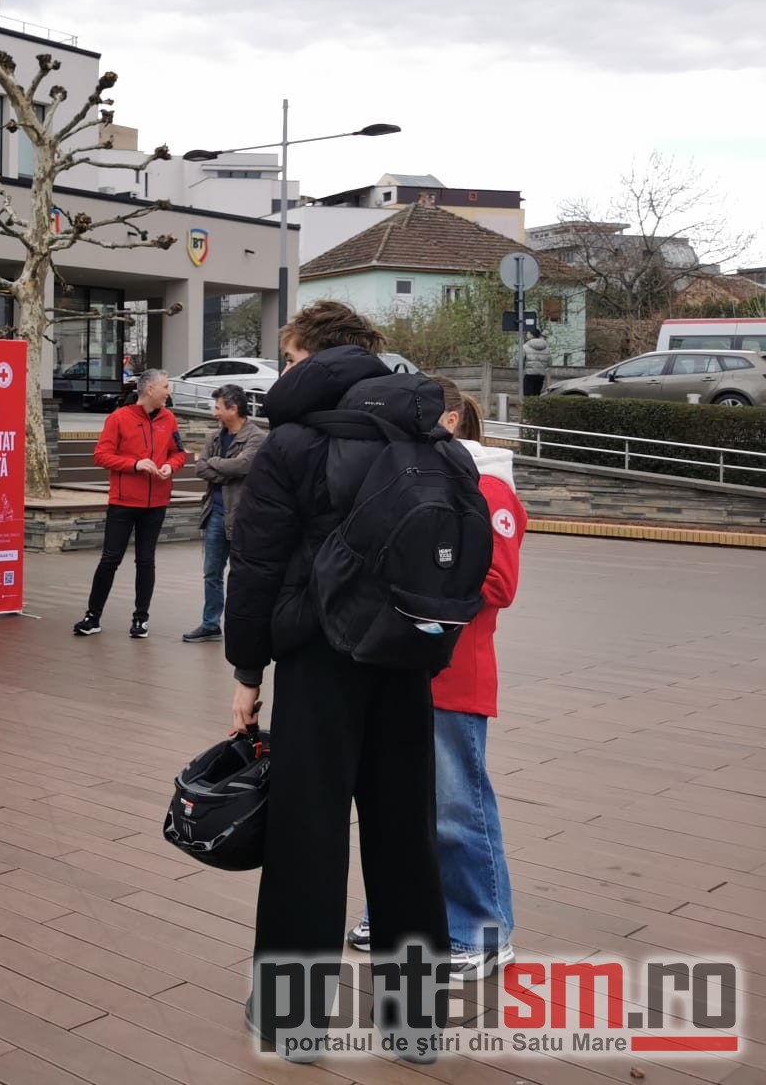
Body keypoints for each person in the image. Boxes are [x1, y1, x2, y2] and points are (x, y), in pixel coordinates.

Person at [224, 301, 451, 1059]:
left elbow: (256, 567)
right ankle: (416, 1023)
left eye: (289, 358)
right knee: (406, 836)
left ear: (311, 358)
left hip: (319, 656)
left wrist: (248, 671)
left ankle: (292, 1021)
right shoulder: (427, 435)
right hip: (406, 656)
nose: (284, 371)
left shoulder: (292, 443)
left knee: (307, 834)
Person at [350, 377, 524, 981]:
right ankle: (393, 913)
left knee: (457, 809)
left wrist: (417, 582)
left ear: (447, 421)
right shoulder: (415, 476)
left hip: (455, 675)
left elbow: (499, 583)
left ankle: (482, 930)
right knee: (398, 802)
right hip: (405, 668)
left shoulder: (490, 487)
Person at [74, 369, 187, 640]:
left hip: (156, 503)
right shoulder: (119, 418)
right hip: (123, 502)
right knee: (110, 559)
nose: (169, 391)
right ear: (149, 389)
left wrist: (170, 467)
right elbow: (101, 455)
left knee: (146, 561)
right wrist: (135, 465)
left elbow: (179, 453)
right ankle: (92, 617)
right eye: (165, 386)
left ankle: (141, 619)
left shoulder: (169, 419)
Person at [182, 383, 266, 644]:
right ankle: (210, 625)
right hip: (215, 515)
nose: (214, 412)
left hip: (243, 518)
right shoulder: (215, 437)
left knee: (242, 575)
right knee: (212, 574)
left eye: (218, 407)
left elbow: (243, 466)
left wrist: (215, 464)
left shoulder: (257, 437)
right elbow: (200, 468)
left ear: (233, 408)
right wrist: (225, 470)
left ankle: (244, 625)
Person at [520, 331, 551, 398]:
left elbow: (520, 361)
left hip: (529, 374)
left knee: (527, 396)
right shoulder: (546, 347)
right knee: (536, 395)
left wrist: (522, 370)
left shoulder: (525, 346)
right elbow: (549, 363)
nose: (527, 334)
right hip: (541, 375)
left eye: (528, 333)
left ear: (532, 335)